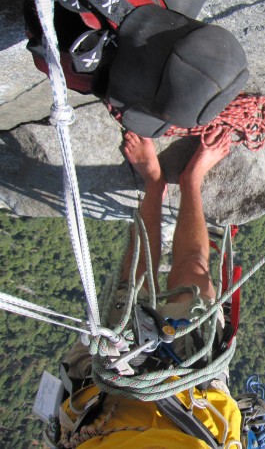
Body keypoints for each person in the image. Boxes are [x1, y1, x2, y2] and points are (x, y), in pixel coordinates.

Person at [57, 130, 241, 448]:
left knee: (134, 279)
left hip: (108, 400)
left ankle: (155, 184)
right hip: (196, 401)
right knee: (194, 273)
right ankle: (190, 181)